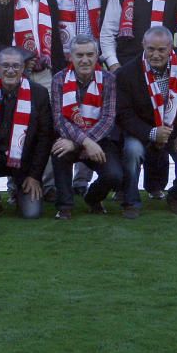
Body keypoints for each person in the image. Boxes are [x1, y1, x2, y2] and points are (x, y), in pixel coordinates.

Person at [116, 27, 177, 218]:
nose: (155, 54)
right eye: (151, 49)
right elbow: (124, 115)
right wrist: (152, 132)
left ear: (171, 48)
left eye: (161, 50)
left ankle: (176, 196)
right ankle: (131, 201)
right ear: (143, 45)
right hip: (141, 130)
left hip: (175, 130)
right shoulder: (126, 73)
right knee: (132, 151)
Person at [0, 47, 53, 219]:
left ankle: (21, 192)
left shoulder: (39, 93)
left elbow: (45, 138)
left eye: (15, 66)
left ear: (22, 69)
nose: (10, 70)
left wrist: (35, 176)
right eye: (5, 66)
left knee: (32, 214)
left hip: (25, 162)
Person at [50, 34, 122, 218]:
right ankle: (65, 205)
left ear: (97, 56)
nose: (85, 60)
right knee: (59, 150)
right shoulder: (59, 79)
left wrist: (82, 142)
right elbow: (59, 119)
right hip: (69, 137)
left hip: (99, 139)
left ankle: (93, 197)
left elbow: (107, 118)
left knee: (114, 176)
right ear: (70, 57)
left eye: (90, 54)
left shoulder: (108, 79)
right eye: (79, 55)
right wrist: (84, 142)